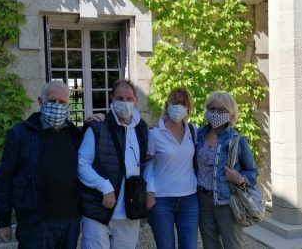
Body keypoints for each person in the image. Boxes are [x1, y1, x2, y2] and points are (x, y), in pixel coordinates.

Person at [0, 80, 82, 248]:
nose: (57, 105)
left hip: (70, 221)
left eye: (62, 102)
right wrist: (3, 221)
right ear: (41, 101)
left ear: (68, 104)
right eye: (52, 101)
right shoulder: (19, 134)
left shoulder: (74, 134)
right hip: (35, 224)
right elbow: (4, 179)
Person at [78, 79, 148, 249]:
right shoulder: (97, 127)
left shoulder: (142, 127)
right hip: (98, 209)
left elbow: (149, 161)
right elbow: (82, 164)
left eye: (129, 99)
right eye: (120, 98)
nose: (125, 103)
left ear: (136, 101)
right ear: (112, 99)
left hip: (129, 210)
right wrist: (105, 187)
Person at [196, 91, 258, 249]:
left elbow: (252, 171)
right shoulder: (198, 136)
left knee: (232, 245)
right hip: (202, 201)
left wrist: (240, 179)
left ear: (231, 114)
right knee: (210, 245)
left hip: (227, 203)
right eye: (212, 108)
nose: (215, 112)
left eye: (221, 110)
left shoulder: (237, 140)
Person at [144, 87, 199, 249]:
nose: (179, 107)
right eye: (175, 102)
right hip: (161, 200)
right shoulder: (155, 133)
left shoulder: (193, 131)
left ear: (188, 107)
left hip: (189, 199)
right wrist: (150, 192)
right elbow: (148, 164)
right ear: (167, 105)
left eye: (183, 103)